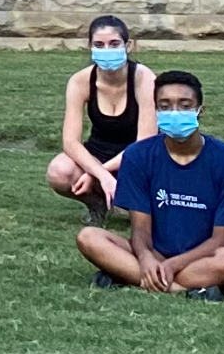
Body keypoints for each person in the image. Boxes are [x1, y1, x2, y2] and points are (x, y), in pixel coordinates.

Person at [77, 70, 224, 299]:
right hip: (155, 252)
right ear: (156, 110)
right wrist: (146, 258)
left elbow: (222, 239)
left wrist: (173, 265)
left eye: (185, 105)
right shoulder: (138, 156)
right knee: (89, 237)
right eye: (165, 105)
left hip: (205, 258)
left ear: (200, 111)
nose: (175, 112)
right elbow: (140, 229)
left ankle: (131, 276)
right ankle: (185, 289)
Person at [45, 15, 157, 225]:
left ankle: (127, 205)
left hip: (138, 158)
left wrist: (101, 173)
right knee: (59, 171)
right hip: (98, 151)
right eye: (99, 44)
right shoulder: (80, 81)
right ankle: (98, 204)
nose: (107, 50)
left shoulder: (145, 79)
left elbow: (144, 143)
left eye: (114, 44)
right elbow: (70, 142)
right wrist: (100, 173)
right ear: (90, 46)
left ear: (128, 45)